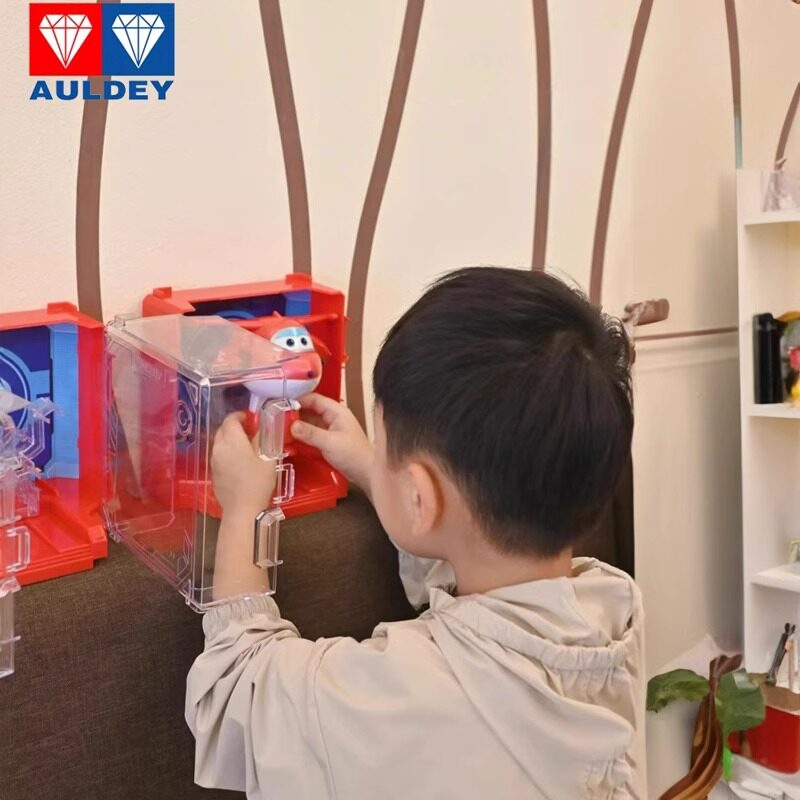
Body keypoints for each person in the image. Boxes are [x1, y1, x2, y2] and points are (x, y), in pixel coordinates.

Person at [185, 266, 645, 799]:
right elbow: (472, 567)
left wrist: (243, 508)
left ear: (420, 498)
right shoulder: (615, 613)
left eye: (383, 446)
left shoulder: (400, 694)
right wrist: (374, 471)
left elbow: (238, 691)